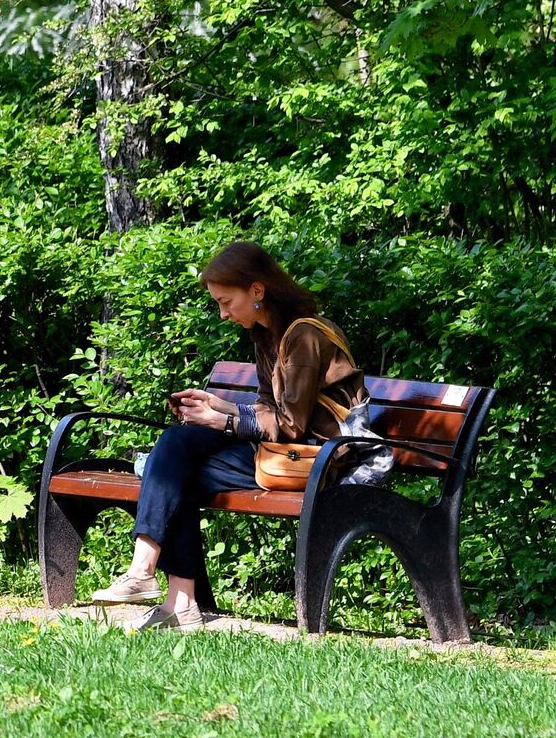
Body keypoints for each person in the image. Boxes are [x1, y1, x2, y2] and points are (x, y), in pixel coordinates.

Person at [88, 240, 369, 630]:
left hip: (315, 460)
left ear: (257, 290)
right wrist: (217, 405)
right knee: (176, 444)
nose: (223, 314)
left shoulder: (304, 337)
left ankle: (167, 591)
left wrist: (222, 421)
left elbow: (290, 426)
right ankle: (161, 588)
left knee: (171, 470)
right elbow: (267, 406)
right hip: (278, 451)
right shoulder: (266, 334)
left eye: (226, 302)